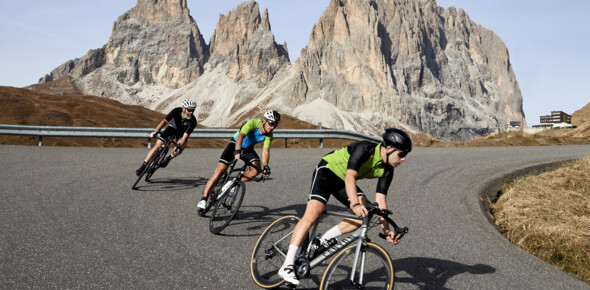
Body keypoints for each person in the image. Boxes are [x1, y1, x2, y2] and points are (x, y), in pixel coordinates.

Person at [277, 128, 412, 286]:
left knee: (368, 212)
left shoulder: (387, 169)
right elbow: (350, 177)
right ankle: (287, 265)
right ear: (388, 148)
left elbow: (380, 201)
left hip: (342, 182)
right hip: (327, 170)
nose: (404, 159)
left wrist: (386, 230)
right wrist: (355, 204)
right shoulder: (365, 149)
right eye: (402, 154)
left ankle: (322, 240)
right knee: (314, 213)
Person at [197, 110, 281, 216]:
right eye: (271, 123)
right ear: (264, 120)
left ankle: (231, 184)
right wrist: (237, 150)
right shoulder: (253, 123)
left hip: (248, 149)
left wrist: (266, 166)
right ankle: (204, 199)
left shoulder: (269, 135)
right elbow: (241, 136)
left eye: (275, 124)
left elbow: (265, 151)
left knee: (256, 170)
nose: (272, 127)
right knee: (220, 171)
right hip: (235, 144)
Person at [136, 99, 197, 175]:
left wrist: (178, 146)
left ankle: (168, 158)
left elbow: (185, 137)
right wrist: (156, 131)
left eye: (193, 110)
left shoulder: (193, 121)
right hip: (171, 129)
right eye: (189, 110)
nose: (191, 112)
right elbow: (165, 121)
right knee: (157, 146)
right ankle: (143, 166)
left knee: (181, 147)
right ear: (183, 109)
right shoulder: (176, 111)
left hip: (181, 134)